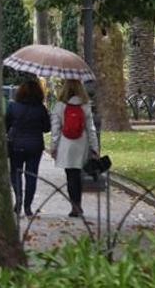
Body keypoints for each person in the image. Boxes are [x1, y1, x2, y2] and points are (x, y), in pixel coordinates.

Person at [50, 79, 99, 217]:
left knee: (70, 175)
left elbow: (55, 129)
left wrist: (53, 147)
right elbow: (91, 129)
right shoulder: (85, 106)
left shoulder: (60, 106)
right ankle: (78, 203)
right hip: (81, 142)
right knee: (78, 174)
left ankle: (74, 205)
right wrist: (94, 148)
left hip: (66, 143)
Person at [5, 79, 51, 216]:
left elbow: (5, 125)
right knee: (32, 175)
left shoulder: (13, 107)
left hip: (16, 144)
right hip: (35, 145)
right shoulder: (40, 108)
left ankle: (18, 197)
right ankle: (28, 206)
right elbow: (46, 128)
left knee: (15, 172)